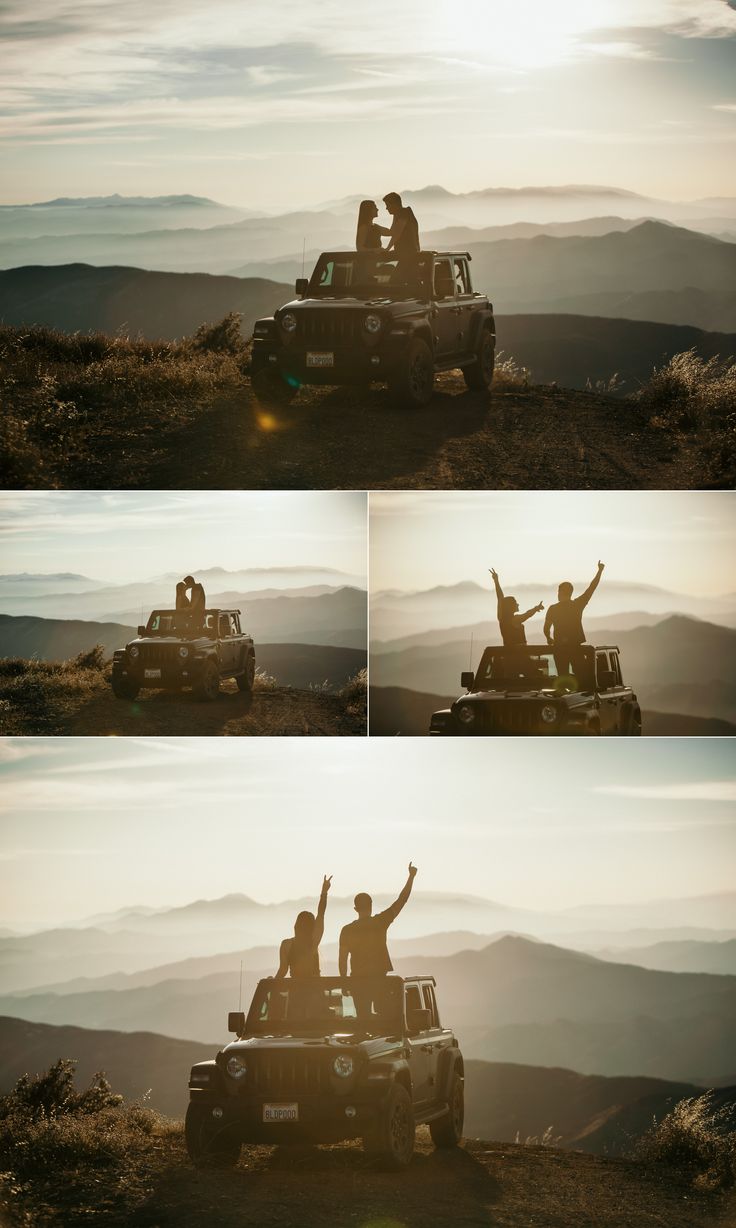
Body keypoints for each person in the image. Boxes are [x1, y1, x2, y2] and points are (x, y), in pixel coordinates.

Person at [339, 862, 417, 981]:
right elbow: (401, 901)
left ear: (355, 909)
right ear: (371, 906)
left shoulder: (347, 930)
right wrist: (411, 877)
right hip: (380, 983)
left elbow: (342, 960)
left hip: (358, 983)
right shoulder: (380, 922)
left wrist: (344, 983)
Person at [544, 561, 605, 679]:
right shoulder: (578, 605)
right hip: (576, 648)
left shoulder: (553, 609)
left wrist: (549, 639)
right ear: (570, 593)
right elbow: (591, 588)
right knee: (581, 677)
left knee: (562, 677)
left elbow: (546, 628)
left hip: (559, 649)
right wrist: (600, 571)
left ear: (560, 592)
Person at [276, 875, 332, 979]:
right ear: (312, 927)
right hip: (315, 990)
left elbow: (283, 970)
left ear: (296, 925)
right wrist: (324, 892)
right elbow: (321, 914)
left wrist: (272, 984)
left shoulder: (286, 945)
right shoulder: (314, 942)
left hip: (295, 991)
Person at [489, 568, 543, 647]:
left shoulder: (501, 618)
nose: (518, 604)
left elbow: (500, 599)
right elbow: (526, 615)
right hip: (519, 654)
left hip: (508, 653)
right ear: (510, 607)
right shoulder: (515, 619)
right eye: (515, 603)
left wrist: (496, 581)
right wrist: (536, 608)